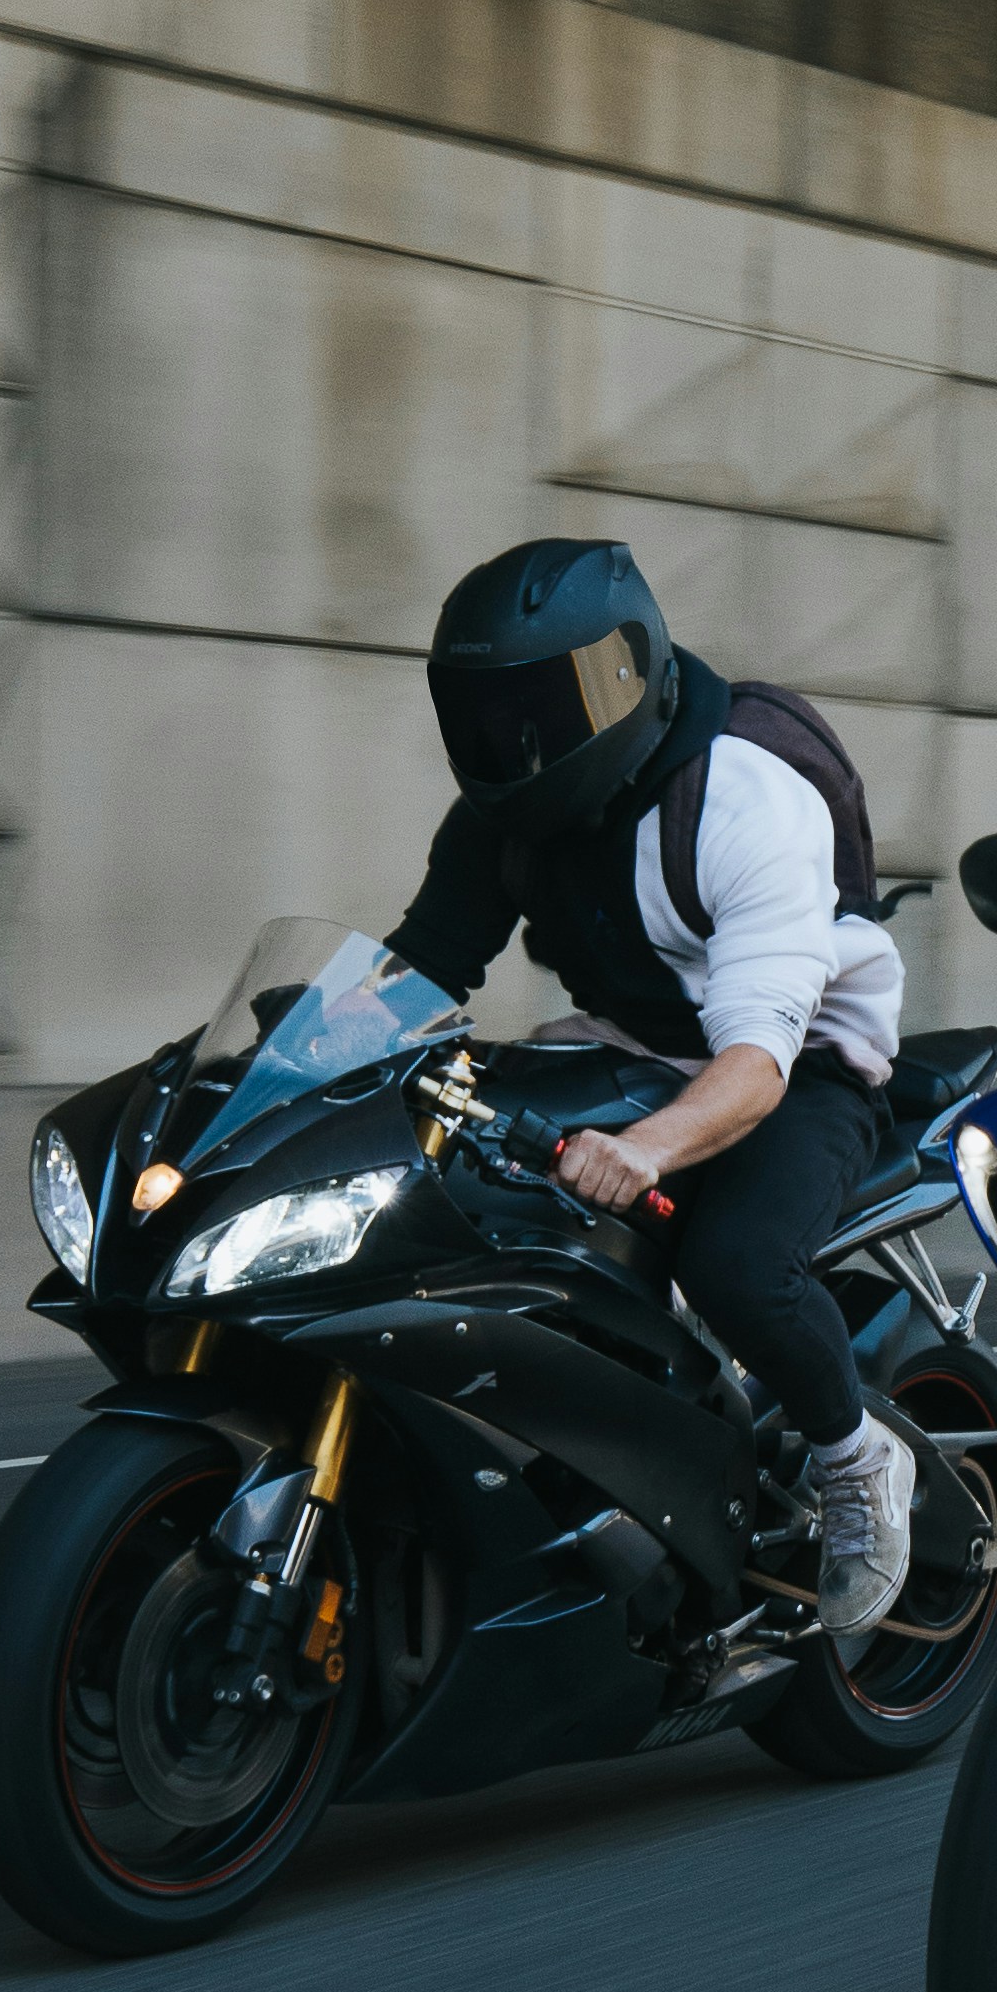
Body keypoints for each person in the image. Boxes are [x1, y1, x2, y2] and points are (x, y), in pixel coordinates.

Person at [382, 535, 918, 1640]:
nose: (519, 739)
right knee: (461, 1195)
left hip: (804, 1060)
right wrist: (278, 1056)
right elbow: (418, 973)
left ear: (632, 673)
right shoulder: (505, 814)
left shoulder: (741, 800)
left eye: (550, 703)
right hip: (630, 1039)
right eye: (490, 712)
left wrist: (646, 1149)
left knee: (736, 1264)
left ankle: (858, 1456)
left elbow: (756, 1064)